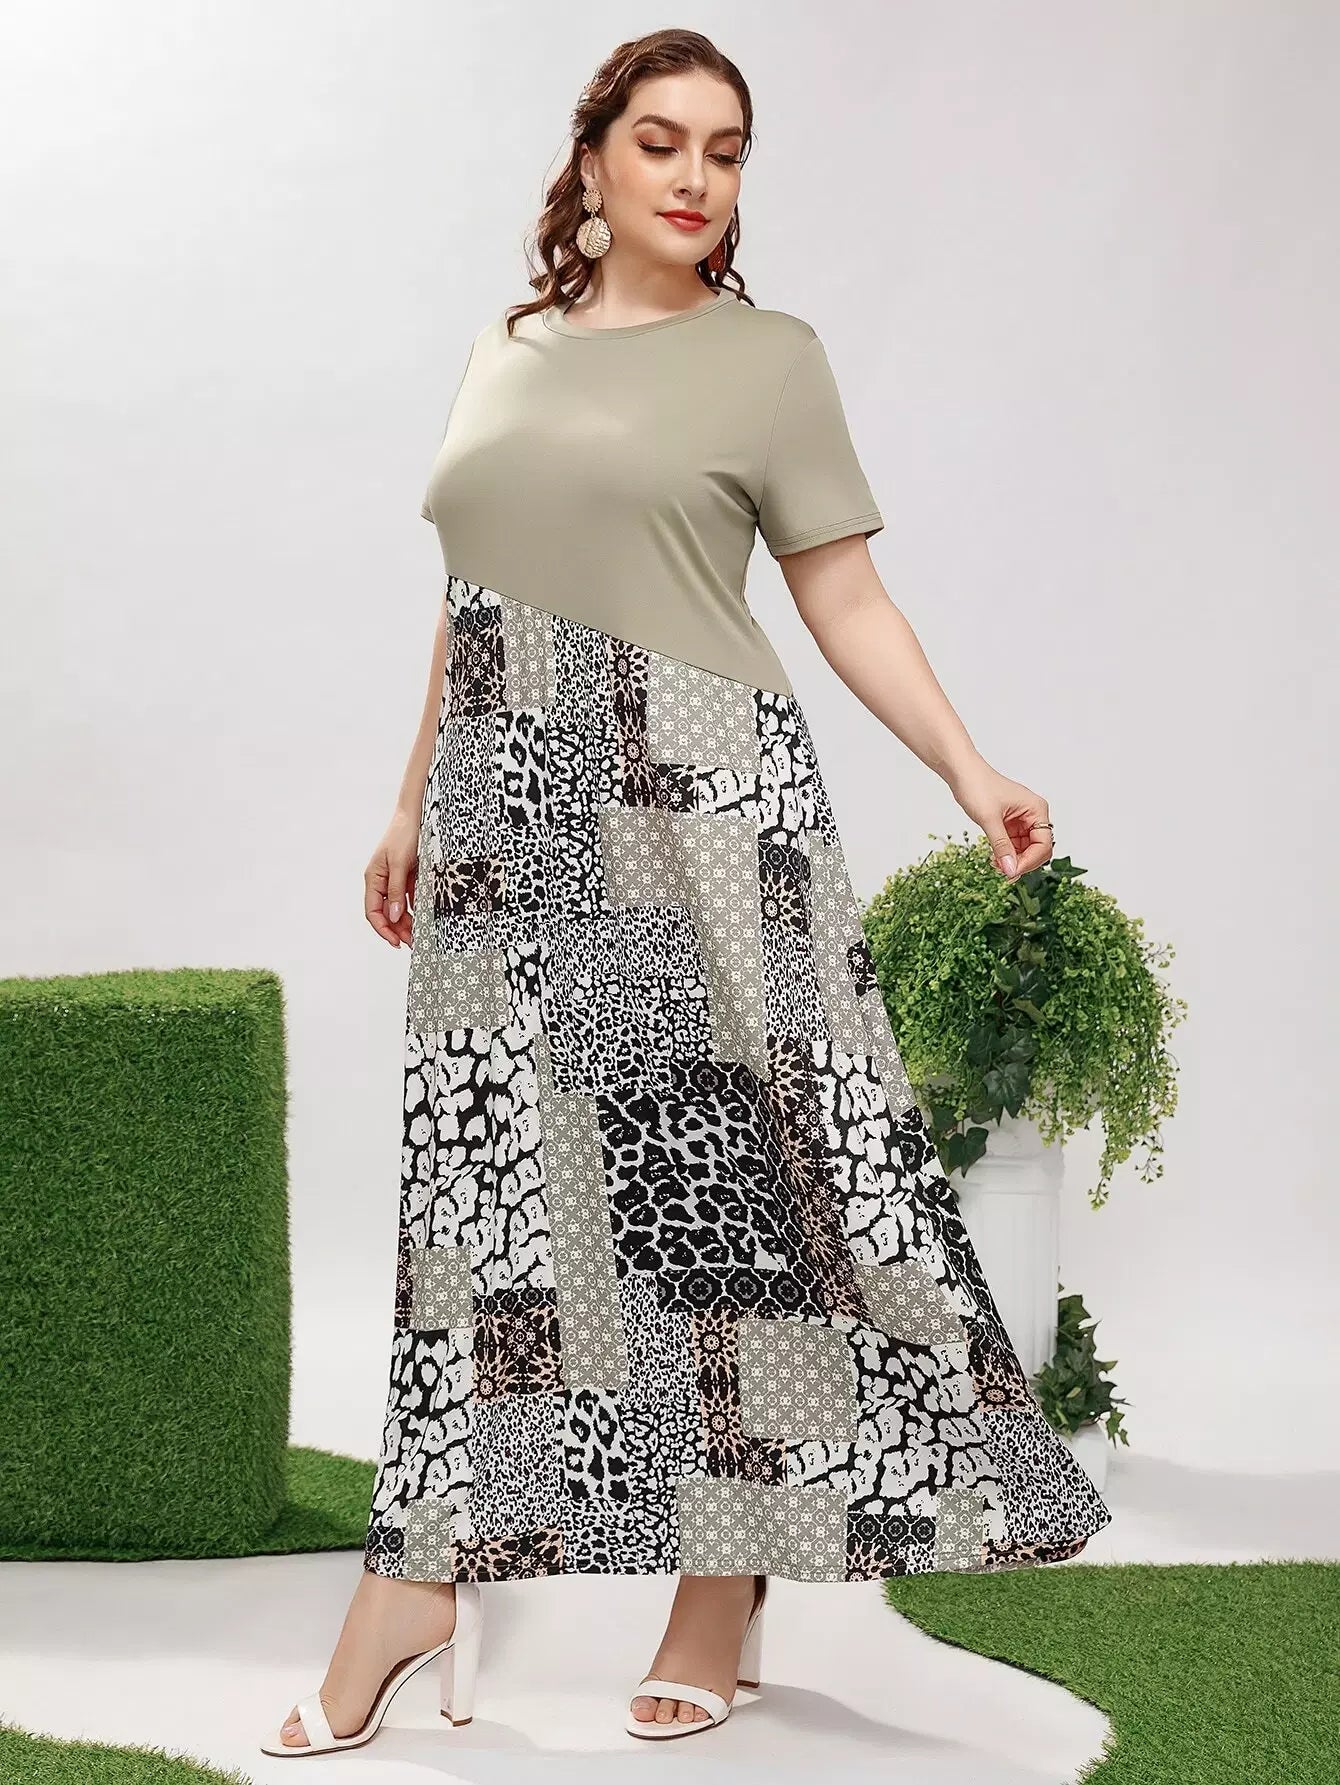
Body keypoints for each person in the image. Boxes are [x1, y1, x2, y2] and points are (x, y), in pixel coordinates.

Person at [263, 26, 1110, 1758]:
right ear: (591, 158)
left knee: (718, 1200)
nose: (696, 177)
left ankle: (721, 1578)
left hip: (699, 809)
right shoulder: (504, 350)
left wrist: (969, 766)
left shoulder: (768, 361)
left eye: (726, 151)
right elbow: (471, 592)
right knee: (491, 1198)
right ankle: (420, 1569)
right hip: (512, 818)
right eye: (661, 141)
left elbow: (843, 597)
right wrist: (413, 797)